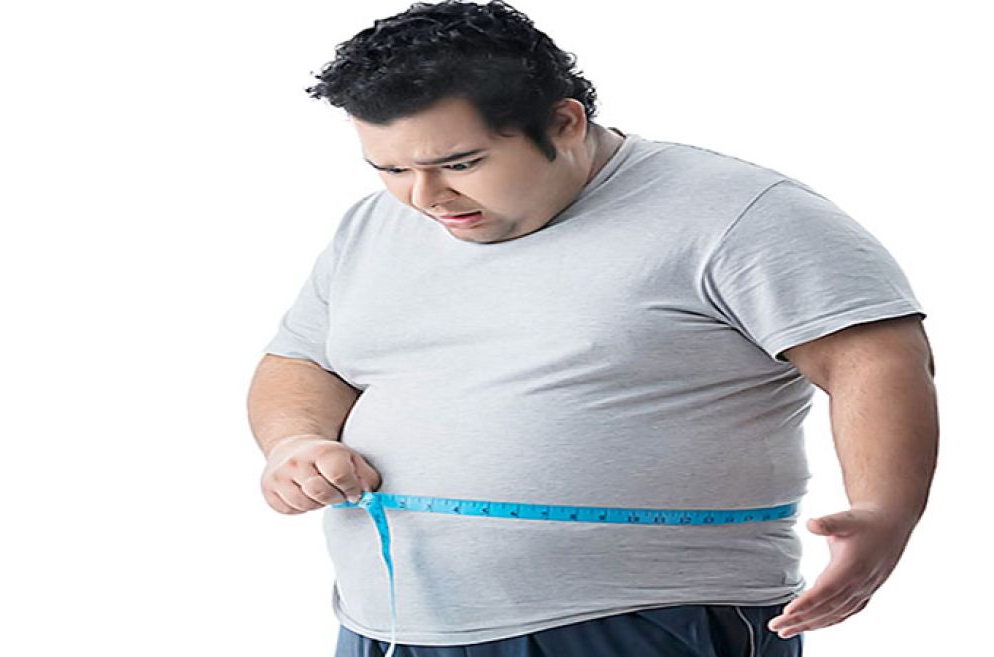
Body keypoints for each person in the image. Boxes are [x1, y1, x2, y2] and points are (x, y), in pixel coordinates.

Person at [246, 2, 939, 656]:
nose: (425, 197)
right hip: (391, 622)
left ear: (565, 123)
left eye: (460, 164)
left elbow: (871, 357)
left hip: (647, 618)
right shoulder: (373, 227)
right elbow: (304, 361)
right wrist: (294, 442)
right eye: (392, 168)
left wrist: (885, 511)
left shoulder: (738, 214)